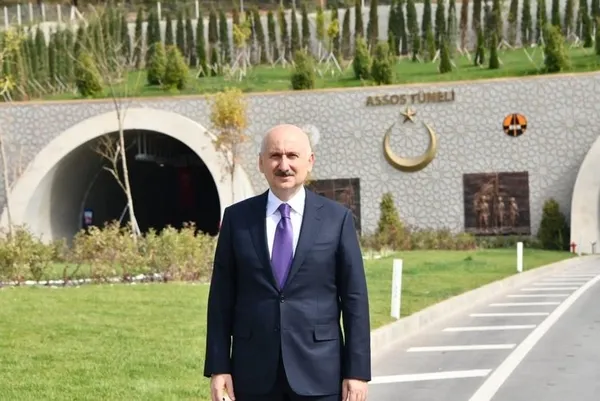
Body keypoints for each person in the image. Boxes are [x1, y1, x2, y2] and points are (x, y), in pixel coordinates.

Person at [203, 124, 371, 401]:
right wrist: (219, 366)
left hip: (320, 374)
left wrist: (357, 372)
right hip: (252, 375)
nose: (284, 165)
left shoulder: (337, 219)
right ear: (261, 163)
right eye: (275, 156)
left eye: (292, 155)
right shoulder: (237, 219)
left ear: (310, 161)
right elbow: (221, 299)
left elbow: (355, 300)